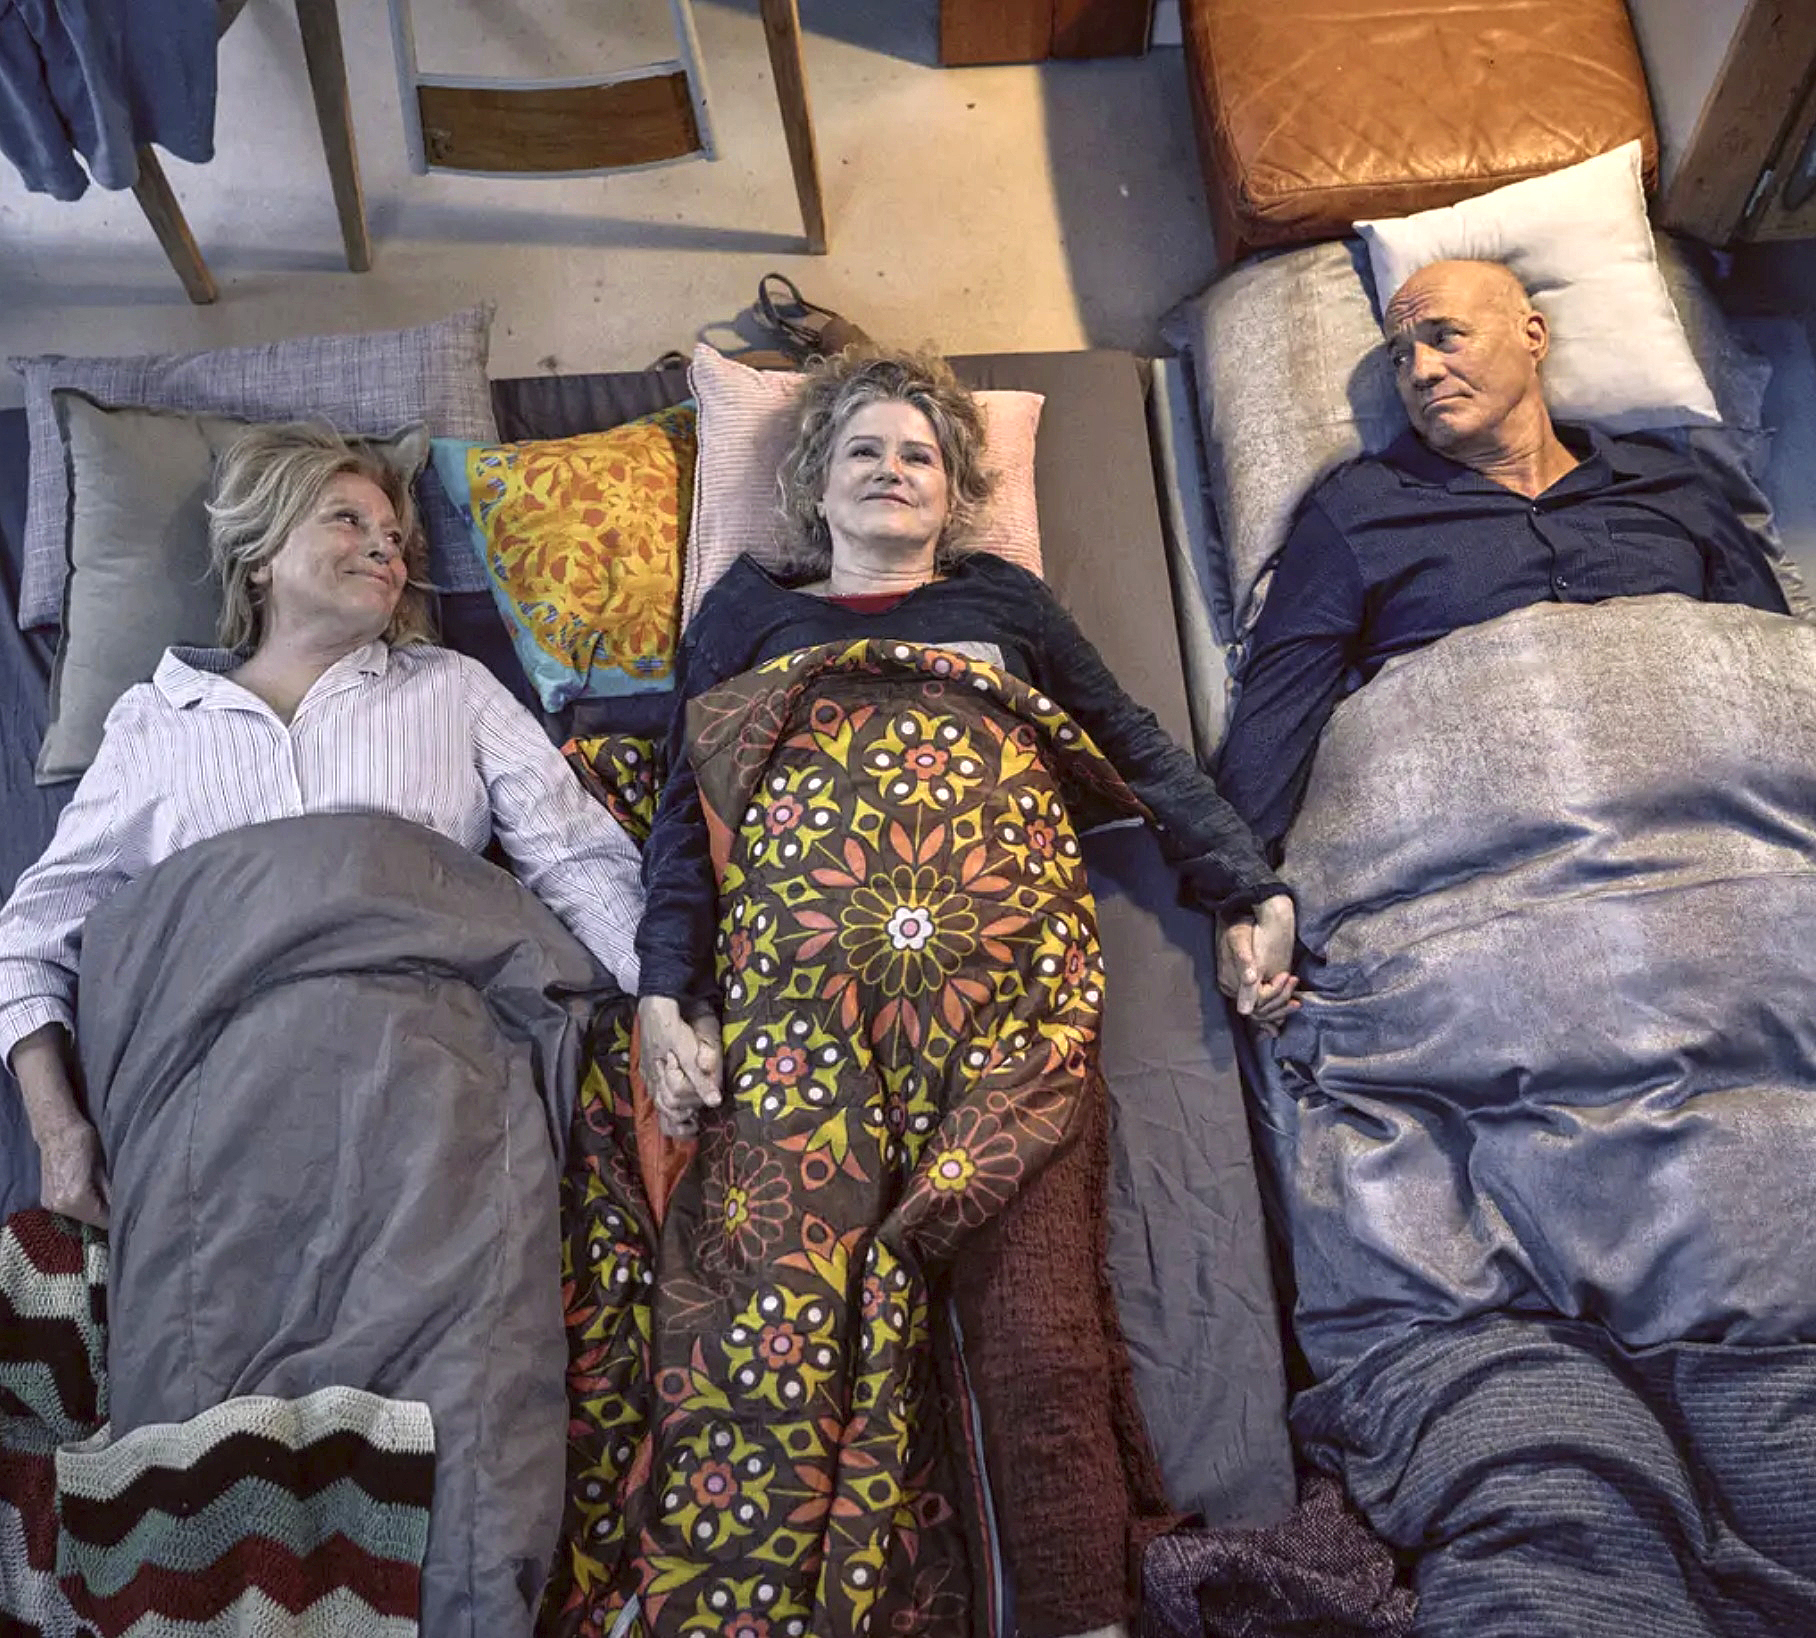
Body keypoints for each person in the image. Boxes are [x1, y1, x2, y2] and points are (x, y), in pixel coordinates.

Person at [0, 422, 646, 1228]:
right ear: (260, 556)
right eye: (347, 520)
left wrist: (664, 1001)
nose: (386, 550)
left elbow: (575, 856)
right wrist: (56, 1130)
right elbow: (29, 938)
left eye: (396, 539)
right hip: (215, 1091)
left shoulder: (452, 689)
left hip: (426, 1072)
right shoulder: (157, 720)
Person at [637, 348, 1299, 1133]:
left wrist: (1252, 890)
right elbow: (688, 810)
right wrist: (669, 990)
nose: (892, 469)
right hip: (800, 970)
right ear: (817, 486)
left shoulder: (1004, 600)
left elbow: (1131, 746)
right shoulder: (747, 614)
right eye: (863, 451)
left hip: (996, 955)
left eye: (919, 457)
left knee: (1010, 1190)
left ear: (953, 499)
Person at [1216, 257, 1791, 853]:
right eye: (1399, 358)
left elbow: (1775, 671)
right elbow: (1276, 720)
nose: (1420, 372)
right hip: (1491, 846)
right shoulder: (1356, 512)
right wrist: (1242, 885)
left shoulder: (1668, 486)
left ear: (1532, 337)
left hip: (1712, 824)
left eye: (1445, 337)